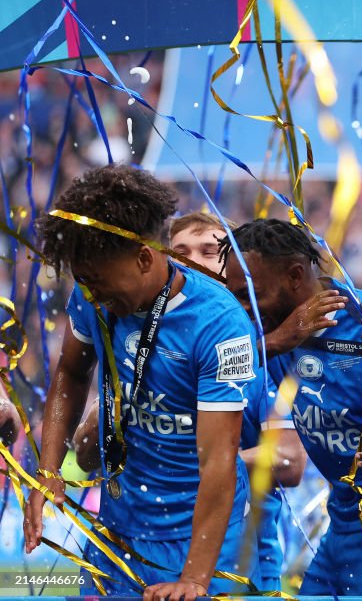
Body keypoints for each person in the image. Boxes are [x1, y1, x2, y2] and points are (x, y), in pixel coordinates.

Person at [25, 164, 259, 601]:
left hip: (200, 541)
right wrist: (48, 470)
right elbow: (72, 373)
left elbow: (219, 462)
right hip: (117, 531)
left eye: (98, 283)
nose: (90, 295)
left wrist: (193, 579)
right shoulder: (90, 295)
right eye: (83, 282)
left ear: (145, 258)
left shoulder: (220, 325)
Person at [71, 210, 306, 591]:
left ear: (233, 265)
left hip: (238, 549)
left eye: (208, 250)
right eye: (181, 251)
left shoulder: (271, 354)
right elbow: (84, 457)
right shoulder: (132, 337)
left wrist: (184, 468)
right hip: (136, 540)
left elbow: (289, 462)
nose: (193, 260)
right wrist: (107, 420)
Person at [222, 218, 362, 596]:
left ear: (294, 275)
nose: (242, 308)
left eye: (249, 295)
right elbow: (201, 373)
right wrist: (274, 342)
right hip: (342, 525)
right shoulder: (265, 334)